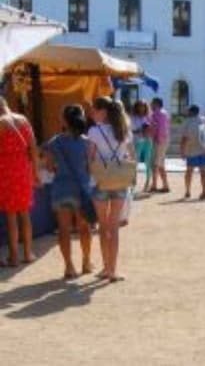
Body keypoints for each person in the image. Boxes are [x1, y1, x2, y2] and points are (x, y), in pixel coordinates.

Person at [43, 104, 95, 279]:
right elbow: (91, 167)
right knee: (84, 227)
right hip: (82, 188)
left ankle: (69, 267)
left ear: (64, 120)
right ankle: (86, 262)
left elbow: (49, 168)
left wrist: (60, 168)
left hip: (62, 188)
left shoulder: (54, 142)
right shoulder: (87, 142)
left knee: (64, 229)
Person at [88, 96, 135, 282]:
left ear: (103, 111)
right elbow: (132, 156)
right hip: (120, 180)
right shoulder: (124, 131)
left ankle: (105, 267)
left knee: (102, 225)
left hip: (100, 180)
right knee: (114, 226)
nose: (92, 112)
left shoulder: (94, 131)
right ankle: (113, 270)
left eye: (95, 109)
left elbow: (90, 158)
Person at [0, 96, 40, 267]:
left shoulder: (0, 123)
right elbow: (33, 148)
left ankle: (14, 257)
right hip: (24, 169)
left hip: (5, 171)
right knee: (24, 213)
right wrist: (36, 172)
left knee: (11, 216)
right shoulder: (23, 119)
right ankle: (28, 253)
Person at [179, 105, 205, 200]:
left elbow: (184, 138)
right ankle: (204, 191)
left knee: (189, 171)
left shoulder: (187, 122)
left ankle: (187, 191)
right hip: (204, 150)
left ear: (191, 112)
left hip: (191, 150)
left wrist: (182, 151)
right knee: (203, 172)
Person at [130, 100, 154, 193]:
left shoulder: (148, 117)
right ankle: (133, 184)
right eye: (139, 106)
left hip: (148, 141)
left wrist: (149, 130)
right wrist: (140, 130)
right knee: (134, 163)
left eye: (143, 106)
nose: (141, 108)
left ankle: (147, 183)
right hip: (137, 141)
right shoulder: (133, 118)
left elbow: (152, 128)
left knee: (148, 162)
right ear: (136, 107)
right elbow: (131, 131)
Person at [148, 97, 171, 193]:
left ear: (156, 104)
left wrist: (158, 140)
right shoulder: (163, 113)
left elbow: (161, 128)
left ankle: (154, 185)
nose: (150, 105)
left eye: (152, 103)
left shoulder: (159, 114)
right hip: (162, 140)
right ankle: (165, 185)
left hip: (159, 140)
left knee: (155, 163)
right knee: (160, 163)